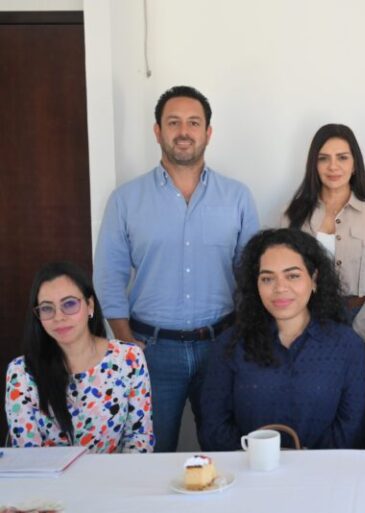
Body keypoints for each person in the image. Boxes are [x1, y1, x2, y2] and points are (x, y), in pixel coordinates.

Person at [93, 85, 260, 452]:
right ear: (158, 131)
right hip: (151, 351)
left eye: (193, 123)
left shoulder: (237, 197)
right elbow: (108, 276)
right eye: (173, 122)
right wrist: (125, 341)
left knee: (228, 453)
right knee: (151, 455)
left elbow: (252, 278)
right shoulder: (125, 200)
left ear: (208, 133)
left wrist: (244, 338)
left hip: (221, 347)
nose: (184, 132)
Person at [199, 229, 365, 450]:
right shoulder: (229, 344)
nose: (280, 288)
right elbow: (214, 426)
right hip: (249, 467)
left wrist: (307, 463)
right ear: (256, 285)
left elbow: (351, 428)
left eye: (292, 276)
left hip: (325, 469)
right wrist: (261, 458)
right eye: (267, 278)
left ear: (314, 279)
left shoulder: (347, 345)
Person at [5, 262, 153, 452]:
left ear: (90, 305)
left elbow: (139, 438)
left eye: (69, 304)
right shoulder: (21, 372)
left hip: (116, 471)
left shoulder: (129, 358)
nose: (59, 317)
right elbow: (28, 455)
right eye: (47, 308)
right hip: (49, 473)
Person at [282, 124, 365, 351]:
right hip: (305, 322)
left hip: (361, 322)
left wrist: (354, 337)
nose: (333, 166)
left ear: (355, 165)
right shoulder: (293, 214)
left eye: (342, 157)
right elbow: (283, 278)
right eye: (323, 158)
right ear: (314, 165)